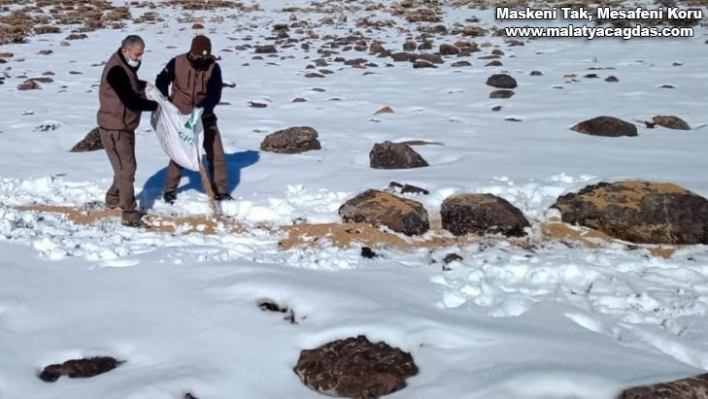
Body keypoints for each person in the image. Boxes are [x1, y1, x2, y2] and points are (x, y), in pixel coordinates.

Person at [155, 34, 234, 204]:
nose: (202, 61)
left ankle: (221, 190)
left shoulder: (214, 68)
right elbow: (161, 81)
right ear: (192, 53)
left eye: (205, 58)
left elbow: (214, 93)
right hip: (180, 118)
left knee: (216, 153)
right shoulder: (177, 63)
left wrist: (203, 108)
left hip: (204, 117)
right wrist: (166, 102)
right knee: (180, 155)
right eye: (199, 58)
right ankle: (169, 190)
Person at [96, 35, 159, 228]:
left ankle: (113, 198)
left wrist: (140, 85)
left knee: (124, 168)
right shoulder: (116, 70)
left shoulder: (125, 67)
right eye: (137, 54)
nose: (139, 58)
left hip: (125, 126)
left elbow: (129, 86)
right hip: (114, 128)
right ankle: (129, 213)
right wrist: (155, 106)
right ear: (125, 50)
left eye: (141, 54)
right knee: (127, 170)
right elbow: (129, 100)